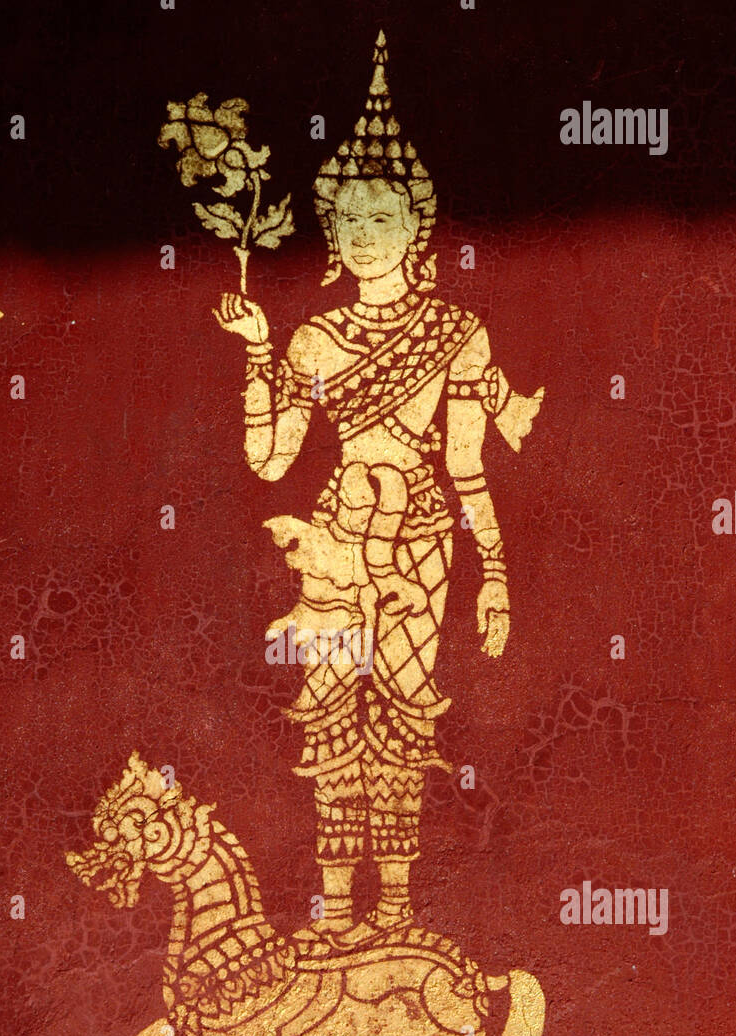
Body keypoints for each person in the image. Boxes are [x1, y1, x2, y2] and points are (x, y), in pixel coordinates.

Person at [214, 32, 543, 946]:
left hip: (421, 540)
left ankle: (395, 907)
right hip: (334, 540)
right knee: (329, 715)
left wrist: (498, 576)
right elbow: (269, 462)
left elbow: (469, 464)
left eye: (381, 218)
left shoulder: (457, 333)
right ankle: (337, 911)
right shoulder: (313, 340)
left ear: (415, 226)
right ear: (332, 228)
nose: (363, 236)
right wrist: (253, 350)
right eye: (347, 219)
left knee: (399, 713)